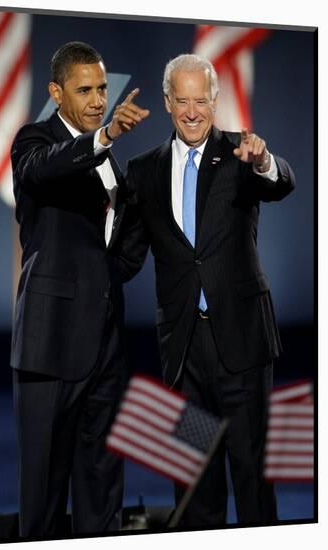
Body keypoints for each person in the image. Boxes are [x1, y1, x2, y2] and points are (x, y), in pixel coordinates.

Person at [125, 53, 295, 528]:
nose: (193, 111)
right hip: (184, 354)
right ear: (167, 102)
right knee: (195, 486)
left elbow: (282, 181)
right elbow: (126, 255)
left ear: (216, 100)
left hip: (240, 345)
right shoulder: (144, 170)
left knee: (252, 478)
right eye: (183, 101)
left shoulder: (243, 152)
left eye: (202, 100)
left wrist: (263, 162)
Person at [10, 41, 149, 538]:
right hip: (49, 347)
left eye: (103, 89)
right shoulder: (34, 141)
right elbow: (42, 168)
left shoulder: (110, 159)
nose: (96, 100)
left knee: (103, 487)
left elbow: (122, 240)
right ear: (56, 92)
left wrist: (112, 277)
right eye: (84, 89)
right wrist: (106, 135)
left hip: (107, 348)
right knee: (44, 494)